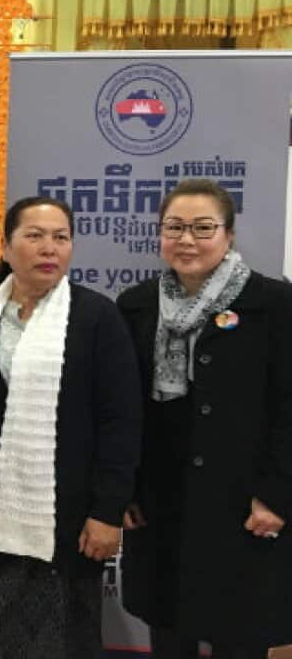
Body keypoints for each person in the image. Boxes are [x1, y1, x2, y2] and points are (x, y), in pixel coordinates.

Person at [0, 196, 141, 657]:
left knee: (66, 640)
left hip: (68, 523)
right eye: (35, 236)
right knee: (0, 636)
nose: (50, 248)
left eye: (60, 238)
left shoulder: (96, 318)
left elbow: (120, 421)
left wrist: (108, 510)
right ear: (5, 247)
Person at [117, 179, 292, 657]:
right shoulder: (135, 305)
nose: (187, 240)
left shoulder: (274, 305)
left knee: (241, 636)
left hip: (243, 506)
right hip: (161, 502)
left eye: (202, 227)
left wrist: (276, 494)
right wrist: (125, 490)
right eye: (174, 227)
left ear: (229, 235)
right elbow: (123, 409)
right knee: (169, 632)